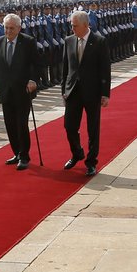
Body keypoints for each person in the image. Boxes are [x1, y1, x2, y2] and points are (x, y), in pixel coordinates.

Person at [61, 10, 111, 177]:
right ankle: (77, 153)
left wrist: (105, 94)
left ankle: (91, 162)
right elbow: (66, 68)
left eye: (75, 25)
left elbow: (105, 70)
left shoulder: (99, 41)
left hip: (92, 92)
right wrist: (64, 90)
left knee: (92, 129)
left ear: (85, 25)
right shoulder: (68, 41)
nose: (72, 28)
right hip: (73, 91)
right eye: (71, 25)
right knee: (69, 126)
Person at [0, 13, 41, 171]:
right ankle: (16, 152)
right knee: (10, 124)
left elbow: (36, 64)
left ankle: (24, 155)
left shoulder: (28, 42)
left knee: (21, 123)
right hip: (5, 90)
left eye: (12, 28)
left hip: (22, 90)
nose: (8, 31)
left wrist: (33, 80)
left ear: (19, 28)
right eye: (6, 28)